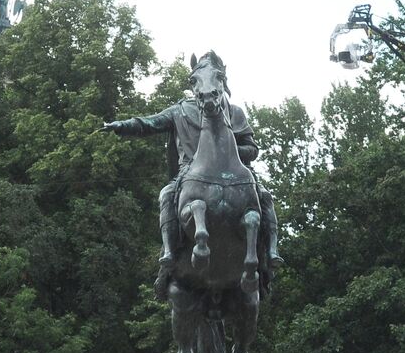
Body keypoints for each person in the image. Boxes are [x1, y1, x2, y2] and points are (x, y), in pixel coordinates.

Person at [104, 52, 283, 297]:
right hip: (190, 173)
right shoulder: (180, 111)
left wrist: (227, 148)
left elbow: (252, 149)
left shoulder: (235, 112)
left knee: (264, 195)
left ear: (222, 81)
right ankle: (169, 254)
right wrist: (122, 126)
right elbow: (149, 123)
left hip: (234, 174)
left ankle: (269, 255)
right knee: (167, 194)